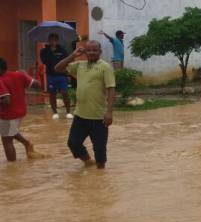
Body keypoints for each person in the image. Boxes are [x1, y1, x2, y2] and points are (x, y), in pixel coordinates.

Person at [55, 41, 116, 169]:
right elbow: (58, 68)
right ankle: (88, 163)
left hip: (99, 117)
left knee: (100, 150)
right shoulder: (79, 65)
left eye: (95, 50)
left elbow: (111, 89)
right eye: (88, 50)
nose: (92, 53)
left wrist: (109, 112)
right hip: (80, 115)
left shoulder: (105, 67)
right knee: (73, 143)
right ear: (84, 52)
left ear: (100, 52)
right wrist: (73, 56)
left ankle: (100, 177)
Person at [0, 58, 42, 161]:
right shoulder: (19, 75)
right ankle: (27, 143)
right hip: (20, 112)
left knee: (7, 141)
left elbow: (6, 101)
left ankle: (12, 168)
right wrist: (26, 75)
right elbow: (38, 85)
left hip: (8, 115)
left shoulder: (0, 80)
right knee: (10, 131)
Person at [40, 33, 73, 119]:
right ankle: (55, 112)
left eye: (55, 39)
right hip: (51, 75)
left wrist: (68, 74)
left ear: (57, 40)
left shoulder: (62, 50)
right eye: (51, 39)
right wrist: (51, 51)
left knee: (64, 93)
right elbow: (44, 61)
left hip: (62, 75)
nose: (53, 41)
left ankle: (68, 112)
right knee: (52, 94)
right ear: (49, 40)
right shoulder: (44, 51)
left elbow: (67, 61)